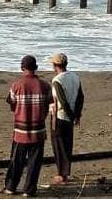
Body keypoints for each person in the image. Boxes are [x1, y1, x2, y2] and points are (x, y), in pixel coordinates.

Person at [3, 55, 52, 197]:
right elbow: (48, 105)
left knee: (16, 161)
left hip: (20, 130)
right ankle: (29, 190)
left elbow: (12, 106)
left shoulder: (16, 85)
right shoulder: (45, 85)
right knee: (34, 163)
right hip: (38, 129)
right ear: (35, 68)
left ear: (22, 68)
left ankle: (11, 187)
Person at [48, 53, 84, 184]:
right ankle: (65, 173)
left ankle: (62, 174)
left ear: (55, 65)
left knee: (58, 146)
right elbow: (80, 97)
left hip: (59, 116)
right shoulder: (75, 76)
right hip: (71, 115)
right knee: (68, 145)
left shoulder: (57, 80)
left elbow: (62, 101)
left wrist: (71, 115)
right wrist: (77, 115)